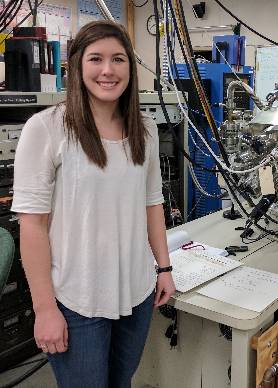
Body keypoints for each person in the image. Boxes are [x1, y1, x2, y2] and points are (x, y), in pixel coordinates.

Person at [11, 20, 176, 388]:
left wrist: (163, 268)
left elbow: (152, 204)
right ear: (77, 66)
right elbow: (32, 226)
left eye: (118, 59)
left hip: (136, 292)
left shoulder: (144, 129)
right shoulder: (47, 129)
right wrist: (44, 309)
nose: (107, 70)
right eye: (96, 59)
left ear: (130, 69)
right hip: (77, 300)